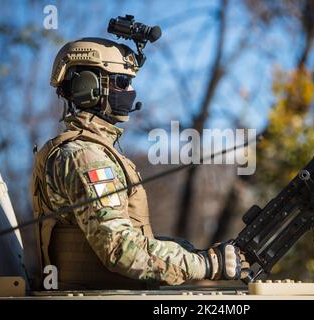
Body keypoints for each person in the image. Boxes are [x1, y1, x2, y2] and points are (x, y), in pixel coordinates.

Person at [30, 37, 249, 289]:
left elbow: (127, 238)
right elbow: (120, 249)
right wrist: (205, 266)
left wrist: (192, 253)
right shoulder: (86, 157)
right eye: (122, 82)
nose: (130, 91)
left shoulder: (91, 151)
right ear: (87, 86)